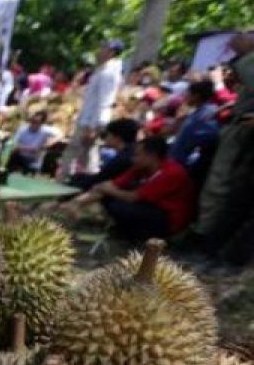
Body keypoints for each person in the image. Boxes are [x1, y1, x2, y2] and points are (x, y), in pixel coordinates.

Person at [191, 32, 254, 251]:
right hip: (240, 124)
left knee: (220, 183)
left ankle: (205, 237)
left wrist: (246, 55)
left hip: (243, 131)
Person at [69, 136, 194, 242]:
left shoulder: (172, 173)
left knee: (120, 205)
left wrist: (107, 189)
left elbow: (133, 197)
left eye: (138, 155)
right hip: (149, 207)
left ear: (152, 156)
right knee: (112, 198)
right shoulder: (140, 167)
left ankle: (144, 237)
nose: (133, 158)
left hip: (168, 219)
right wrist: (77, 202)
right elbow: (111, 185)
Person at [59, 40, 125, 180]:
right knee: (86, 155)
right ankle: (83, 182)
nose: (99, 51)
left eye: (103, 48)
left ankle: (65, 180)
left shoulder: (108, 73)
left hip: (91, 122)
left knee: (77, 152)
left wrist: (94, 126)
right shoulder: (102, 70)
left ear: (111, 52)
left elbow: (104, 101)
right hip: (87, 119)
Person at [66, 118, 140, 191]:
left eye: (107, 135)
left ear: (117, 138)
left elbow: (100, 180)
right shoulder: (132, 153)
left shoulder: (123, 158)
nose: (105, 138)